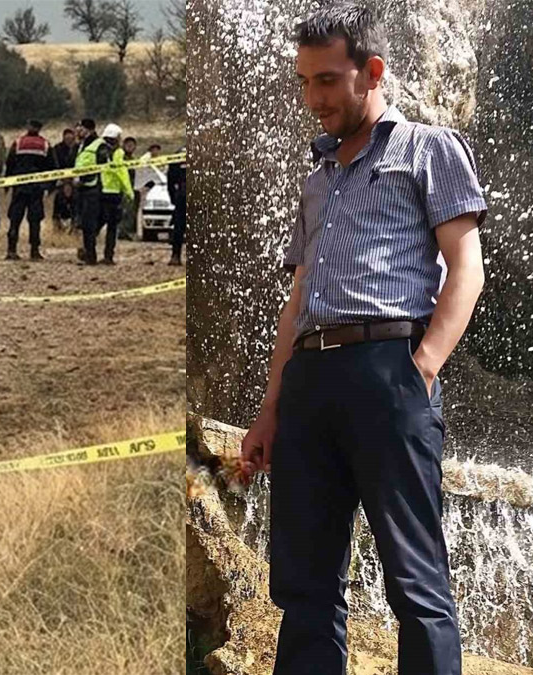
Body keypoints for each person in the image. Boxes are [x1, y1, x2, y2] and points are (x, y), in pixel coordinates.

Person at [237, 4, 487, 674]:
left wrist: (422, 367)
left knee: (416, 583)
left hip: (388, 369)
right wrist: (271, 406)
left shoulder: (430, 149)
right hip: (310, 382)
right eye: (303, 82)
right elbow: (297, 301)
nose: (312, 98)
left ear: (372, 72)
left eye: (326, 81)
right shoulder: (316, 178)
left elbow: (467, 269)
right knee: (306, 586)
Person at [3, 119, 56, 260]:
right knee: (35, 221)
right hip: (36, 189)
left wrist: (7, 184)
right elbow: (53, 168)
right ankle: (34, 251)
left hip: (19, 188)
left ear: (28, 127)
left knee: (15, 219)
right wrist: (49, 186)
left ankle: (11, 250)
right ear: (39, 129)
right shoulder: (45, 144)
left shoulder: (18, 143)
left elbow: (9, 163)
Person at [96, 124, 135, 265]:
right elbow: (122, 172)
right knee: (112, 227)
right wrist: (129, 191)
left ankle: (88, 250)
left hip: (101, 191)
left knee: (98, 223)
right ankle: (108, 256)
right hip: (114, 194)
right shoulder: (118, 152)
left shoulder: (100, 150)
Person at [72, 118, 105, 265]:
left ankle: (91, 256)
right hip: (82, 189)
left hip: (93, 187)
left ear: (89, 129)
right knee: (84, 224)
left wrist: (83, 179)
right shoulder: (81, 145)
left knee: (89, 224)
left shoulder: (99, 145)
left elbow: (101, 168)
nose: (78, 131)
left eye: (81, 128)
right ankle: (87, 252)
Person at [51, 128, 79, 231]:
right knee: (58, 201)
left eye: (71, 138)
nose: (69, 140)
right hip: (61, 179)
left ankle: (75, 226)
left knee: (76, 202)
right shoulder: (57, 148)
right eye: (67, 138)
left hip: (75, 179)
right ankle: (57, 226)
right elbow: (54, 163)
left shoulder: (78, 148)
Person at [167, 149, 186, 266]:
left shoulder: (179, 153)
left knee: (179, 226)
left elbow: (170, 179)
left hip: (182, 193)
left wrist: (173, 196)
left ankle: (175, 256)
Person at [120, 135, 140, 239]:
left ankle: (128, 231)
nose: (130, 147)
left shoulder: (132, 159)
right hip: (123, 188)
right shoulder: (121, 157)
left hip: (132, 187)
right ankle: (122, 232)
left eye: (132, 145)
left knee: (131, 211)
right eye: (128, 145)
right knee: (124, 211)